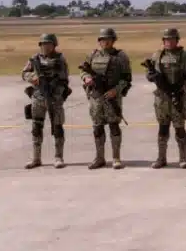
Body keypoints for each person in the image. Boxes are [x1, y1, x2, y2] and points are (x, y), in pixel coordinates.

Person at [80, 27, 132, 169]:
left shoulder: (121, 56)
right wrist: (86, 78)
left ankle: (116, 158)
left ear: (113, 41)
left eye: (108, 39)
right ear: (99, 41)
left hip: (112, 97)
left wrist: (116, 90)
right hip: (96, 97)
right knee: (97, 127)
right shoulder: (92, 55)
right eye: (103, 40)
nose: (106, 42)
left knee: (114, 126)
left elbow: (127, 79)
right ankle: (99, 158)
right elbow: (83, 72)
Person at [146, 28, 186, 168]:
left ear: (177, 40)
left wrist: (180, 90)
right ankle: (161, 158)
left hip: (178, 97)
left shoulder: (184, 56)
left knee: (179, 128)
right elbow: (149, 74)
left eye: (172, 39)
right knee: (163, 128)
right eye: (166, 40)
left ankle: (183, 159)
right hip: (161, 99)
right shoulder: (157, 55)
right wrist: (151, 76)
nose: (169, 42)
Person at [21, 33, 71, 169]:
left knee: (57, 127)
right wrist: (33, 77)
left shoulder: (60, 59)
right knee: (36, 127)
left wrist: (56, 93)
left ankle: (58, 157)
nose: (45, 46)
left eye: (48, 44)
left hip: (54, 98)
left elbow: (64, 79)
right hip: (37, 97)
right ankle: (36, 158)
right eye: (43, 44)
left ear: (54, 45)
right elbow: (24, 73)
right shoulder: (34, 59)